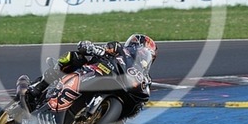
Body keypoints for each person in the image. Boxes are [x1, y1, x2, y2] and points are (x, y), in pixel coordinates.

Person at [22, 34, 157, 105]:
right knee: (74, 57)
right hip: (95, 69)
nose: (144, 56)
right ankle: (38, 86)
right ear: (135, 46)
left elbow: (141, 101)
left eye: (148, 55)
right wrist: (91, 47)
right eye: (144, 52)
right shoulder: (119, 49)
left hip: (114, 85)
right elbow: (104, 49)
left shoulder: (144, 78)